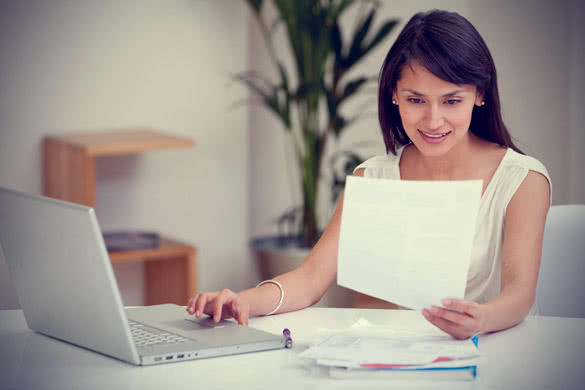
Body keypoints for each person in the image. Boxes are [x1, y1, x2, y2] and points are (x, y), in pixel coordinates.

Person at [186, 9, 551, 340]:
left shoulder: (521, 180)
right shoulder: (372, 178)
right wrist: (242, 300)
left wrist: (481, 319)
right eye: (416, 100)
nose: (433, 120)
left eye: (452, 101)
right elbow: (311, 278)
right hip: (395, 357)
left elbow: (520, 293)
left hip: (493, 352)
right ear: (394, 95)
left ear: (480, 94)